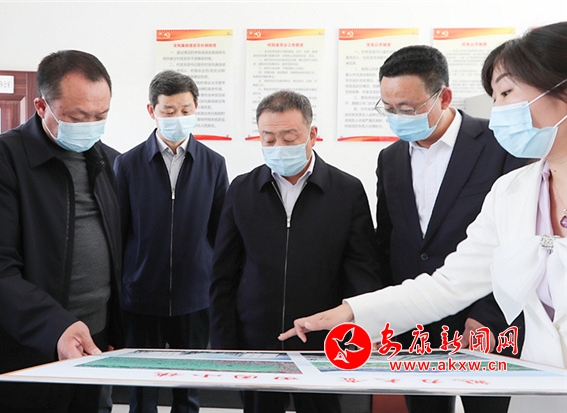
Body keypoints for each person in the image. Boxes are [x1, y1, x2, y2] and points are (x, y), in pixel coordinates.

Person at [279, 21, 567, 411]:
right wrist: (354, 312)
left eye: (505, 93)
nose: (498, 110)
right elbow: (449, 283)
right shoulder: (513, 192)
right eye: (494, 96)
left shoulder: (495, 156)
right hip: (540, 390)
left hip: (496, 340)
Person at [372, 45, 527, 413]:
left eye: (407, 109)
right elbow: (388, 242)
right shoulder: (390, 158)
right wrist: (381, 317)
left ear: (443, 97)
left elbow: (517, 242)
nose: (397, 118)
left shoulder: (499, 144)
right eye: (388, 109)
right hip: (415, 322)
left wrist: (489, 316)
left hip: (484, 321)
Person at [0, 50, 123, 412]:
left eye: (100, 116)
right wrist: (55, 327)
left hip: (94, 343)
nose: (90, 126)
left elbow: (117, 254)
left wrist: (116, 329)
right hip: (27, 346)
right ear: (41, 106)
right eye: (77, 117)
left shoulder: (109, 161)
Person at [210, 90, 382, 413]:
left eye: (289, 138)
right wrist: (223, 343)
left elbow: (362, 269)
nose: (279, 147)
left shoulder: (346, 191)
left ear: (312, 135)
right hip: (257, 342)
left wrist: (363, 328)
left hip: (324, 341)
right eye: (269, 138)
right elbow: (223, 274)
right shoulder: (243, 190)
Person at [114, 70, 229, 413]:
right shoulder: (128, 163)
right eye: (168, 110)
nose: (177, 117)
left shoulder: (213, 164)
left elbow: (219, 232)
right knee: (141, 389)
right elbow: (119, 231)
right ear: (152, 111)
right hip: (141, 296)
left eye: (185, 110)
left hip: (195, 297)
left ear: (196, 108)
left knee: (188, 388)